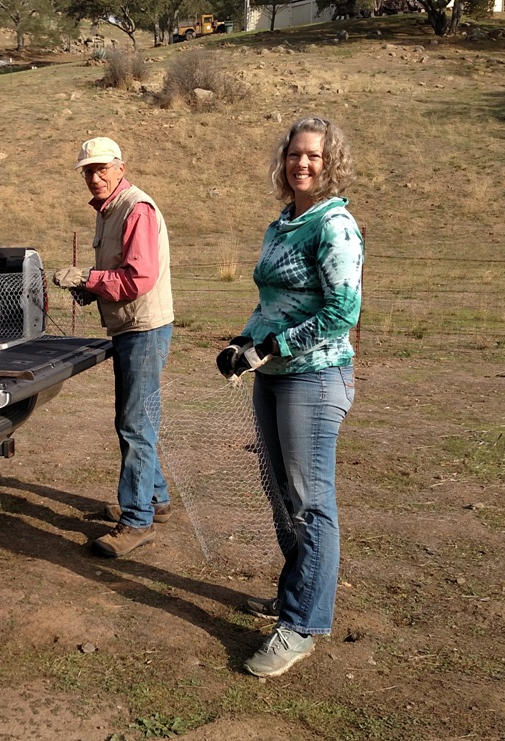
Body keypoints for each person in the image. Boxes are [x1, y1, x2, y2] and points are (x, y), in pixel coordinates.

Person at [216, 116, 363, 678]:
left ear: (331, 164)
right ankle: (296, 597)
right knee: (282, 498)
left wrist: (272, 345)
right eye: (295, 154)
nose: (302, 164)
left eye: (314, 157)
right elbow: (272, 300)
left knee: (310, 502)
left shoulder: (335, 226)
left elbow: (341, 313)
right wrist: (245, 341)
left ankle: (302, 625)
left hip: (316, 378)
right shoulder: (282, 225)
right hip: (274, 376)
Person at [52, 137, 174, 558]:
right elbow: (119, 275)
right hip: (131, 326)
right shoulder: (108, 211)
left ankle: (137, 519)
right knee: (137, 418)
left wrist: (88, 280)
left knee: (134, 424)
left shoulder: (135, 208)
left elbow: (138, 278)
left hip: (143, 327)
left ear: (121, 167)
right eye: (88, 170)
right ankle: (153, 499)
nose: (95, 176)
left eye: (102, 167)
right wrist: (94, 290)